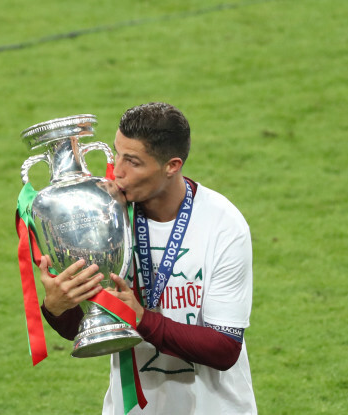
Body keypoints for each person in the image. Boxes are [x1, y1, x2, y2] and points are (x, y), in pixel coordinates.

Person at [38, 102, 257, 414]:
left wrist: (141, 319)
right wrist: (58, 307)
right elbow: (87, 327)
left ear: (172, 165)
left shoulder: (223, 225)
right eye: (117, 153)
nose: (118, 171)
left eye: (134, 162)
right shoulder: (104, 216)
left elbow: (224, 349)